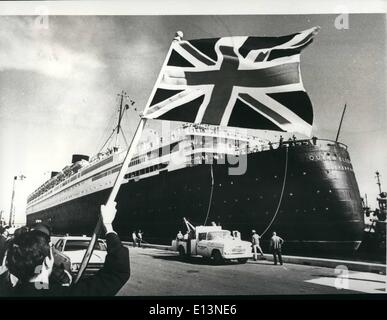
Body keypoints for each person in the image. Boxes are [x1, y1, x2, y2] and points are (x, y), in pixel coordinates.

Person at [1, 201, 130, 297]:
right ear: (47, 262)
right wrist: (108, 225)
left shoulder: (8, 291)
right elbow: (118, 273)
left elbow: (38, 286)